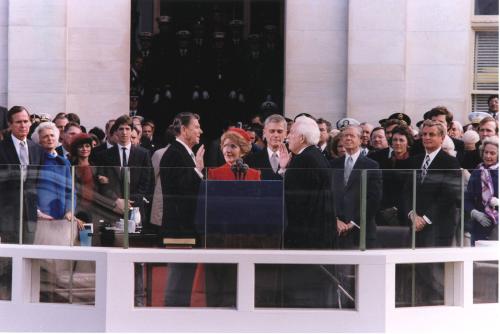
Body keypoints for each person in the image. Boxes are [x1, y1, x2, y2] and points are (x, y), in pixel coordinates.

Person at [279, 116, 337, 307]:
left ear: (302, 138)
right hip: (320, 235)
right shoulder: (315, 155)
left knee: (303, 293)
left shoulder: (303, 160)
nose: (287, 137)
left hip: (306, 238)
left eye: (292, 133)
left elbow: (293, 202)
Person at [160, 112, 205, 307]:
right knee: (178, 282)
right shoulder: (174, 153)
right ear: (184, 130)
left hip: (187, 228)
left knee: (184, 282)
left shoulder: (185, 152)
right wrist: (198, 170)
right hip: (179, 230)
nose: (200, 131)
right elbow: (180, 190)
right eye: (196, 127)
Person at [330, 125, 382, 249]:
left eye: (352, 135)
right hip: (337, 229)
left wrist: (354, 222)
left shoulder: (372, 165)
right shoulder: (333, 165)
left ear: (360, 140)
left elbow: (374, 199)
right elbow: (328, 195)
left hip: (362, 229)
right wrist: (335, 220)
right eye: (345, 136)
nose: (348, 138)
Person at [0, 106, 44, 244]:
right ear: (10, 124)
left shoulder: (37, 149)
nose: (23, 125)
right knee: (9, 261)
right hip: (6, 212)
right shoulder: (1, 147)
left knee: (28, 256)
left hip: (30, 212)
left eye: (26, 121)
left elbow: (37, 181)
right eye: (18, 122)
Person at [31, 122, 83, 230]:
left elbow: (71, 191)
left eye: (52, 135)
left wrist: (69, 211)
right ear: (39, 141)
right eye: (45, 136)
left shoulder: (64, 162)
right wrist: (37, 212)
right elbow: (29, 189)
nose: (50, 139)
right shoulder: (35, 160)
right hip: (41, 219)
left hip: (63, 219)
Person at [376, 125, 413, 228]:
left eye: (401, 140)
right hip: (384, 211)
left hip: (407, 211)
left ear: (408, 142)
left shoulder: (414, 162)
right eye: (395, 140)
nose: (397, 143)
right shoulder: (384, 162)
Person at [465, 136, 498, 245]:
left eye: (492, 153)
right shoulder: (477, 171)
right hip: (479, 225)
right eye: (486, 152)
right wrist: (474, 213)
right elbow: (467, 198)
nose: (488, 156)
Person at [245, 114, 287, 180]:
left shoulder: (293, 160)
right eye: (272, 131)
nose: (276, 135)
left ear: (285, 134)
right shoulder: (250, 160)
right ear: (264, 133)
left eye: (279, 131)